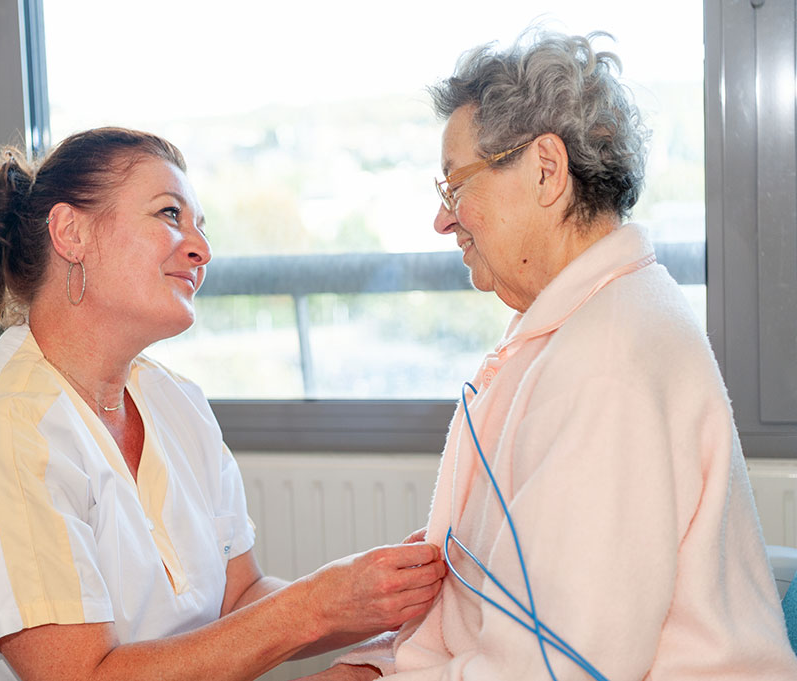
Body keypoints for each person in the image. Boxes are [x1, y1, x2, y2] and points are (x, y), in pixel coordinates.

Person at [0, 127, 446, 681]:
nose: (201, 249)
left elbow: (238, 599)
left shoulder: (176, 403)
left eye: (200, 226)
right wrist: (315, 607)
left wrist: (372, 598)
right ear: (70, 233)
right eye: (170, 215)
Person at [311, 29, 797, 680]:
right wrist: (376, 665)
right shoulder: (585, 319)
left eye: (455, 186)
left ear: (545, 168)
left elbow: (554, 666)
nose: (444, 219)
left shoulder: (607, 362)